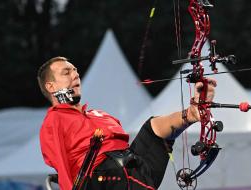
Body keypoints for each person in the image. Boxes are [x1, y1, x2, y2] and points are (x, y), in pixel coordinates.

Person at [37, 56, 216, 190]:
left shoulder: (99, 114)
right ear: (51, 86)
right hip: (104, 179)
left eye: (75, 70)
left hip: (134, 168)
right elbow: (61, 164)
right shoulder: (55, 119)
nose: (75, 74)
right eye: (66, 72)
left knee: (152, 127)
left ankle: (192, 113)